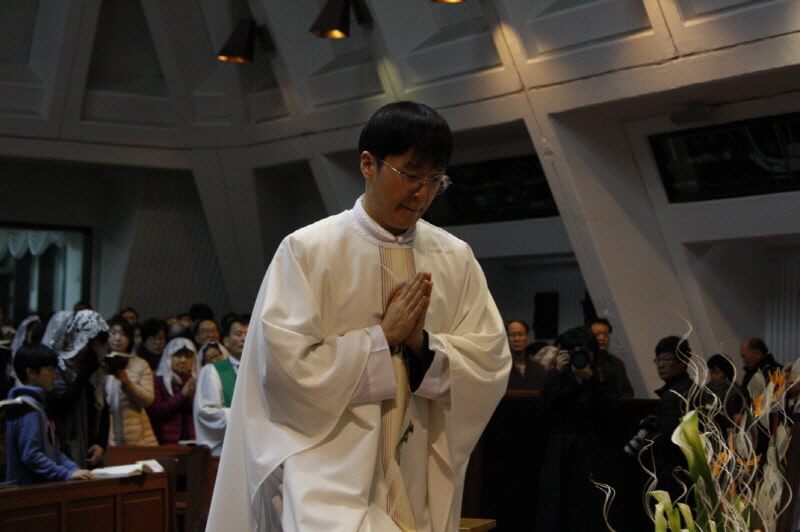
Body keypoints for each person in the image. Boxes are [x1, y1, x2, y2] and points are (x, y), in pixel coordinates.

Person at [207, 101, 511, 532]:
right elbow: (283, 371)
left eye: (435, 180)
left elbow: (489, 362)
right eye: (410, 174)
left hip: (419, 469)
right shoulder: (308, 250)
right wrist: (381, 338)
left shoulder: (454, 257)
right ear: (368, 164)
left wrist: (421, 346)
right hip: (329, 474)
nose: (421, 193)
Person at [535, 327, 614, 531]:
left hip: (591, 451)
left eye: (582, 352)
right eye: (570, 352)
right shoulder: (555, 377)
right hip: (559, 452)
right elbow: (543, 411)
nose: (578, 357)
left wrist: (590, 380)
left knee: (588, 508)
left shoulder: (604, 376)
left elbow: (609, 414)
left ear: (592, 353)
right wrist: (558, 374)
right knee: (556, 507)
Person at [5, 345, 93, 485]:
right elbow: (31, 456)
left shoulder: (37, 405)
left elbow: (55, 452)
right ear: (31, 372)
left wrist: (74, 469)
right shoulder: (27, 409)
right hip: (28, 492)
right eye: (50, 369)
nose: (54, 375)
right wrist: (66, 474)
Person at [46, 310, 110, 468]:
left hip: (91, 447)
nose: (96, 348)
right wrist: (84, 373)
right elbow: (62, 407)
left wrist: (101, 443)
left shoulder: (95, 370)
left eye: (99, 343)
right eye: (92, 342)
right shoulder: (59, 367)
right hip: (65, 448)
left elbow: (103, 408)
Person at [650, 336, 694, 499]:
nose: (661, 365)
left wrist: (647, 440)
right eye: (658, 360)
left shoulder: (674, 395)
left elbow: (668, 438)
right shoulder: (691, 389)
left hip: (673, 470)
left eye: (667, 359)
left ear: (683, 361)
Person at [103, 317, 157, 446]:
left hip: (137, 437)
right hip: (106, 437)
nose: (117, 338)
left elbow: (148, 400)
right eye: (113, 333)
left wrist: (127, 383)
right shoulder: (98, 364)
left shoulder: (140, 364)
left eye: (123, 334)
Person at [148, 338, 196, 444]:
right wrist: (182, 396)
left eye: (188, 356)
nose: (183, 360)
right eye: (178, 356)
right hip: (166, 441)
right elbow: (156, 412)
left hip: (194, 439)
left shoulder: (197, 381)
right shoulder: (158, 381)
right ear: (169, 358)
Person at [588, 317, 634, 398]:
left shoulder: (617, 363)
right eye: (597, 334)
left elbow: (627, 391)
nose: (602, 338)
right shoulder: (584, 362)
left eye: (605, 334)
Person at [706, 354, 745, 435]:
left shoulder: (734, 392)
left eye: (717, 372)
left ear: (726, 373)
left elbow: (737, 423)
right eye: (711, 372)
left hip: (726, 435)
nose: (713, 376)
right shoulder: (707, 389)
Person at [740, 337, 782, 403]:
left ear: (758, 353)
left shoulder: (774, 372)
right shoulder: (751, 372)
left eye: (744, 356)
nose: (743, 361)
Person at [506, 319, 545, 389]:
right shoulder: (500, 368)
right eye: (512, 335)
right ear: (506, 339)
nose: (517, 339)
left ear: (527, 338)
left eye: (520, 334)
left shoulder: (539, 369)